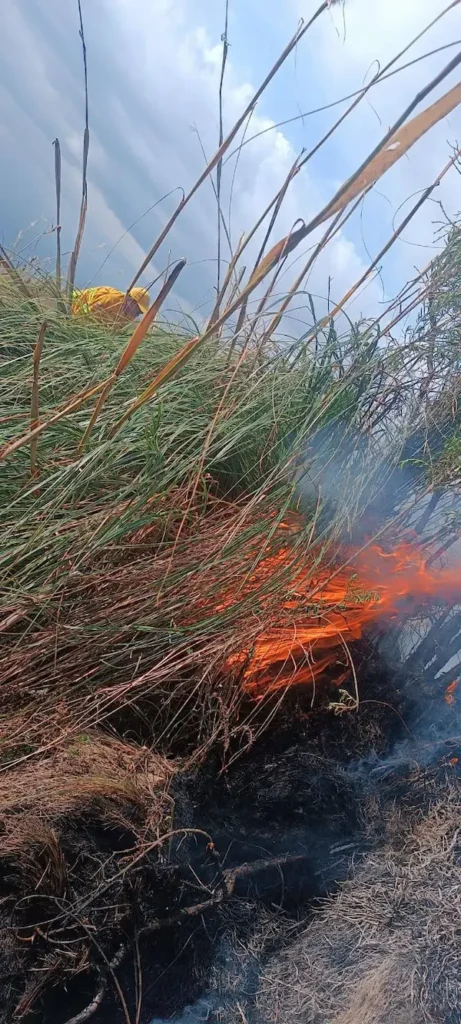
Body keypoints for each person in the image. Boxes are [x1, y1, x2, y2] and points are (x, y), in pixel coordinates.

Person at [71, 286, 150, 324]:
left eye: (140, 312)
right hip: (70, 305)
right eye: (139, 309)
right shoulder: (110, 299)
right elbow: (82, 314)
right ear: (131, 300)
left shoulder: (128, 316)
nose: (138, 314)